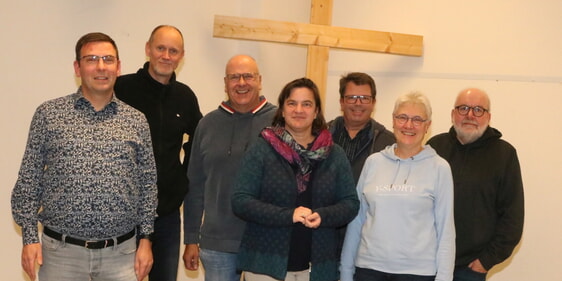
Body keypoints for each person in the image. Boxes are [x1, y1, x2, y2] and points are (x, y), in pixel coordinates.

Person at [11, 32, 157, 281]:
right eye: (91, 59)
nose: (101, 66)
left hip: (122, 255)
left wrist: (146, 241)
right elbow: (29, 179)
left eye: (108, 59)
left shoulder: (136, 120)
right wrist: (29, 237)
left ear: (118, 67)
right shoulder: (49, 114)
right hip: (61, 256)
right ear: (78, 67)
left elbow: (148, 185)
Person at [232, 77, 359, 281]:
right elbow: (241, 201)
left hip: (318, 268)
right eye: (292, 103)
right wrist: (288, 215)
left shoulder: (334, 154)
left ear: (316, 111)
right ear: (282, 109)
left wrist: (323, 215)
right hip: (265, 266)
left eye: (306, 104)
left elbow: (351, 203)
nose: (299, 110)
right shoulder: (262, 149)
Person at [114, 25, 202, 281]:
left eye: (173, 51)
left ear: (181, 56)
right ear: (148, 49)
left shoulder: (185, 97)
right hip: (123, 214)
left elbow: (198, 142)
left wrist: (180, 178)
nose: (166, 55)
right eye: (160, 48)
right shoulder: (121, 89)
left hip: (166, 215)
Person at [341, 91, 455, 281]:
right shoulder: (373, 163)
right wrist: (346, 271)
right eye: (402, 117)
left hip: (416, 273)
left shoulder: (439, 168)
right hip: (368, 269)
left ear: (427, 126)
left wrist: (444, 277)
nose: (409, 125)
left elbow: (446, 230)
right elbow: (357, 221)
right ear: (393, 121)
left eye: (417, 119)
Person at [182, 55, 277, 281]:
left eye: (248, 76)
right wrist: (191, 238)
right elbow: (195, 186)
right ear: (225, 83)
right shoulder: (207, 124)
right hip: (217, 244)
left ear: (259, 80)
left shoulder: (280, 122)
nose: (241, 83)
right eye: (234, 77)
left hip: (267, 240)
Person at [427, 88, 524, 281]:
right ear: (453, 114)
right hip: (428, 262)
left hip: (469, 269)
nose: (470, 115)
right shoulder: (434, 148)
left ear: (488, 116)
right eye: (463, 108)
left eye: (478, 110)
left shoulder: (504, 155)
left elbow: (512, 217)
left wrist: (485, 262)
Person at [328, 72, 395, 183]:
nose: (358, 103)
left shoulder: (389, 143)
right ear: (341, 102)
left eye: (365, 98)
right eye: (351, 97)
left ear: (373, 103)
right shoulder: (320, 136)